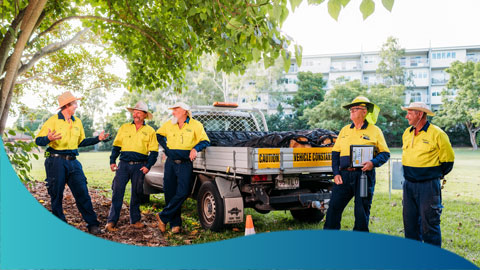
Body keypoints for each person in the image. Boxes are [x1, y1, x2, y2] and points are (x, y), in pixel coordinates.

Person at [35, 91, 109, 235]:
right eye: (74, 103)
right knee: (56, 195)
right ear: (67, 105)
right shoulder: (53, 120)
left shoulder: (77, 122)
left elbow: (81, 142)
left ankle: (92, 225)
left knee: (83, 193)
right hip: (56, 162)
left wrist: (97, 139)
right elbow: (38, 140)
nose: (76, 105)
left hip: (73, 162)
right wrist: (48, 138)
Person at [324, 96, 390, 232]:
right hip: (343, 176)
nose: (351, 111)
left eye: (355, 109)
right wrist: (336, 173)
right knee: (333, 209)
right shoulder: (344, 130)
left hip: (363, 176)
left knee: (361, 211)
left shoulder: (375, 131)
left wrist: (373, 163)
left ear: (364, 112)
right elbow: (335, 154)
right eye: (351, 109)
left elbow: (385, 154)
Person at [401, 102, 454, 247]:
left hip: (428, 186)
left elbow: (448, 161)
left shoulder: (437, 133)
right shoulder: (407, 133)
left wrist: (432, 175)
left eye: (410, 113)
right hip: (408, 185)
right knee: (409, 224)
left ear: (420, 114)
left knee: (429, 224)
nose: (407, 116)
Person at [155, 102, 209, 234]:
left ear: (185, 111)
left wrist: (195, 149)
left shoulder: (196, 125)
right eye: (173, 110)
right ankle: (175, 224)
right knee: (169, 193)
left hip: (185, 163)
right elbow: (158, 135)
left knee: (184, 192)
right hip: (170, 163)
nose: (173, 112)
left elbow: (205, 141)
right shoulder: (169, 124)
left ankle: (162, 216)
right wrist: (166, 149)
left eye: (176, 110)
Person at [106, 101, 159, 232]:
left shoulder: (150, 131)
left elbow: (154, 152)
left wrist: (148, 166)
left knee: (136, 193)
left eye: (138, 112)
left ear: (144, 115)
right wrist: (112, 161)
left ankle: (135, 220)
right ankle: (111, 221)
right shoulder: (124, 128)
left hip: (139, 166)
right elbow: (116, 146)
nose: (135, 114)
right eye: (134, 112)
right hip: (123, 165)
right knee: (117, 192)